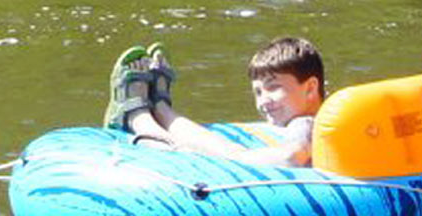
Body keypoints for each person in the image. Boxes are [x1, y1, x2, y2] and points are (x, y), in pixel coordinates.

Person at [102, 37, 326, 167]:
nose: (263, 101)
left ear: (310, 88)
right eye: (258, 92)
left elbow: (290, 157)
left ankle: (141, 119)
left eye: (273, 87)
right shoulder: (321, 120)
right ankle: (160, 108)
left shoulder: (306, 124)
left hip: (244, 168)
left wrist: (231, 160)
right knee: (228, 148)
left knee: (205, 152)